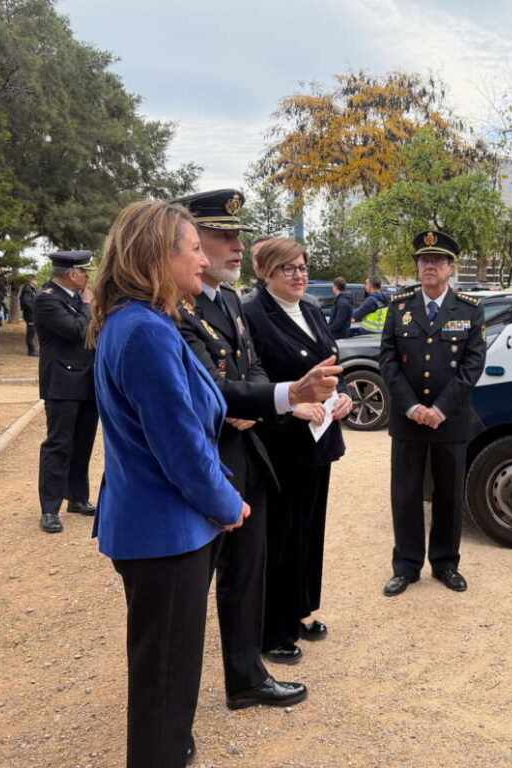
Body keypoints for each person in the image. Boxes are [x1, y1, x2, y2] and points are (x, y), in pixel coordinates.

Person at [90, 199, 250, 768]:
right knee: (164, 683)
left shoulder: (142, 321)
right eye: (192, 250)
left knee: (171, 673)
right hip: (166, 532)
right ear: (158, 255)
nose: (203, 262)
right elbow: (180, 445)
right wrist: (228, 503)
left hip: (160, 529)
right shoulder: (146, 331)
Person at [173, 188, 338, 710]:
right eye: (222, 236)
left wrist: (263, 400)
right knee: (190, 590)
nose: (235, 247)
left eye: (238, 237)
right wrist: (277, 399)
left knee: (247, 575)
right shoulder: (176, 304)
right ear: (190, 239)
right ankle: (173, 710)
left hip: (250, 456)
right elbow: (205, 386)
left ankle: (246, 676)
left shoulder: (224, 300)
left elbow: (251, 366)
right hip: (205, 461)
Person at [242, 237, 353, 664]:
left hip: (319, 437)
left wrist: (341, 397)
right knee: (280, 536)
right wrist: (292, 408)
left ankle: (302, 607)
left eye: (303, 266)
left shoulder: (309, 309)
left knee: (309, 530)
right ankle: (273, 627)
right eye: (287, 268)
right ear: (266, 273)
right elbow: (253, 381)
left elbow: (328, 368)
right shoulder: (253, 314)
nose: (299, 275)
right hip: (281, 440)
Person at [378, 230, 486, 597]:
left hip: (449, 420)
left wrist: (440, 408)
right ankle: (406, 566)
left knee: (449, 494)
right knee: (405, 494)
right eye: (424, 260)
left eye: (438, 261)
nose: (430, 266)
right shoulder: (400, 306)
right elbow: (388, 360)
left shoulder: (469, 308)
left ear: (450, 268)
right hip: (407, 419)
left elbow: (472, 365)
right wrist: (411, 406)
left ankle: (445, 564)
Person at [34, 250, 99, 533]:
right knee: (59, 444)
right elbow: (77, 331)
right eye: (85, 272)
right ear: (73, 275)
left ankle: (77, 497)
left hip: (87, 380)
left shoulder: (72, 297)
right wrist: (88, 306)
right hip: (62, 383)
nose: (88, 277)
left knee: (83, 443)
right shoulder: (47, 298)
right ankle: (50, 508)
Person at [21, 278, 39, 356]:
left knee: (32, 332)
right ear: (31, 281)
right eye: (35, 280)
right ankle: (31, 351)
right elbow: (26, 303)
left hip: (32, 314)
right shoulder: (27, 290)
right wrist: (33, 310)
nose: (37, 281)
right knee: (30, 333)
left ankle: (32, 350)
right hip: (30, 315)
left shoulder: (32, 290)